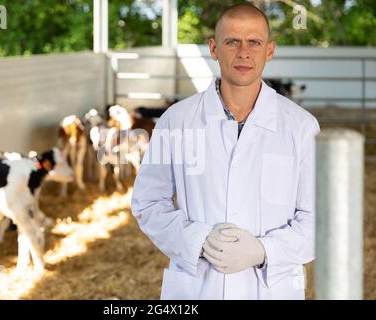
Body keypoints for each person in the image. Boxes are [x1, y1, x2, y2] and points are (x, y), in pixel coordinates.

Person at [131, 4, 320, 300]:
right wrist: (198, 240)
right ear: (214, 48)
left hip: (271, 290)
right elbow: (147, 202)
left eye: (254, 42)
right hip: (197, 290)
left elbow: (317, 219)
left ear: (269, 50)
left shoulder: (302, 127)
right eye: (232, 41)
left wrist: (263, 250)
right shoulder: (175, 121)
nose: (243, 52)